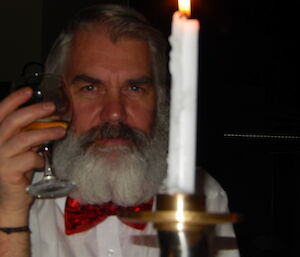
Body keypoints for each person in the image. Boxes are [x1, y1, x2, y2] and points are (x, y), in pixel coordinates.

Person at [0, 4, 239, 257]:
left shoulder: (199, 193)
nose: (114, 112)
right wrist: (9, 212)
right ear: (57, 101)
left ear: (160, 103)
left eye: (134, 88)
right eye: (90, 88)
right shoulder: (13, 191)